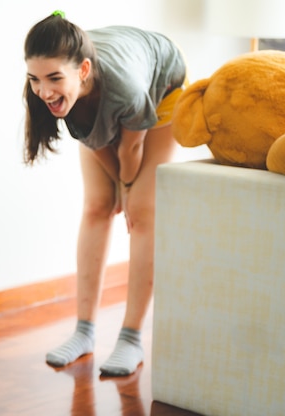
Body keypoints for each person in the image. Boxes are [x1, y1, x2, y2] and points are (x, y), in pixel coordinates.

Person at [22, 11, 187, 376]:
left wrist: (128, 192)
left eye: (53, 79)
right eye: (34, 79)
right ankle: (84, 332)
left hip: (160, 87)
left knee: (142, 211)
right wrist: (117, 191)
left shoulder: (125, 87)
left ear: (81, 71)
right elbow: (98, 146)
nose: (43, 90)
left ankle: (130, 338)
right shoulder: (58, 92)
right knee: (98, 205)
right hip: (102, 88)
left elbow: (130, 151)